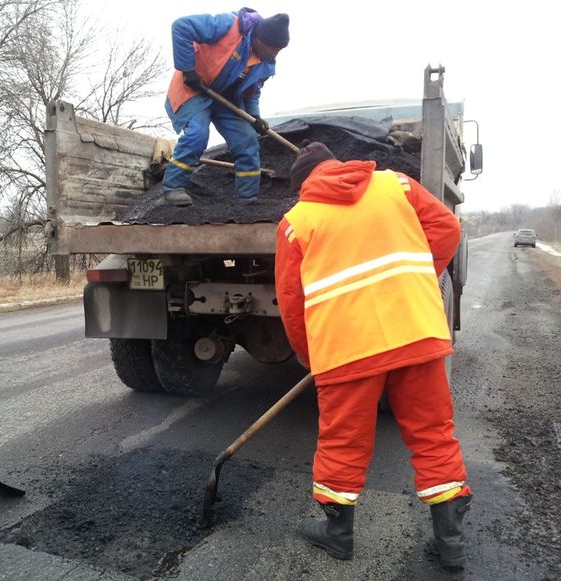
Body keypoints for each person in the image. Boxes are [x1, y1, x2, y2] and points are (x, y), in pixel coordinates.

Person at [274, 142, 472, 569]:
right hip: (415, 332)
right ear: (337, 164)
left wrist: (312, 356)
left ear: (303, 184)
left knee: (343, 442)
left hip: (346, 350)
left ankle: (338, 534)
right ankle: (451, 540)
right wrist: (414, 279)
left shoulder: (296, 222)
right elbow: (446, 230)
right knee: (433, 433)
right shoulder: (395, 185)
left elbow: (292, 303)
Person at [161, 8, 289, 207]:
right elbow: (181, 27)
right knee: (197, 134)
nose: (275, 54)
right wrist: (188, 69)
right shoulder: (228, 26)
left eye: (279, 50)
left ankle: (246, 201)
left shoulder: (266, 64)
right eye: (274, 48)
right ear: (259, 40)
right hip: (193, 88)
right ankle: (172, 188)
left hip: (225, 98)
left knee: (247, 139)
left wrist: (254, 116)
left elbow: (252, 92)